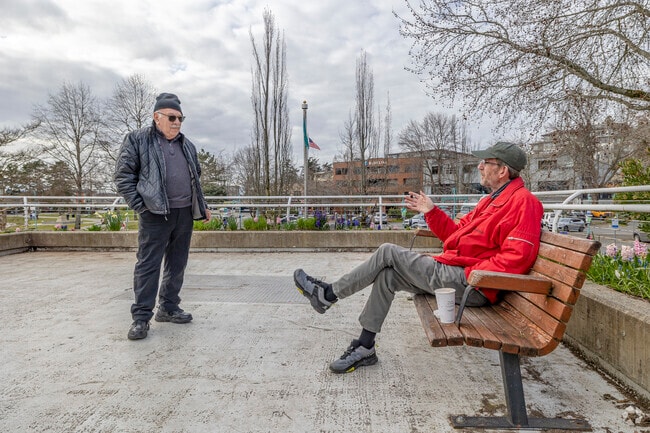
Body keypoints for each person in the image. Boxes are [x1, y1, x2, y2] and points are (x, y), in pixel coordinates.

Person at [294, 142, 543, 373]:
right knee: (388, 275)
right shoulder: (489, 202)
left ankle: (328, 295)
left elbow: (516, 259)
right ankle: (365, 347)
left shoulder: (524, 203)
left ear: (502, 171)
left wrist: (471, 272)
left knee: (387, 251)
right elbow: (454, 236)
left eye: (486, 162)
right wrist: (432, 212)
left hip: (474, 284)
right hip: (458, 273)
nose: (480, 166)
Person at [114, 92, 212, 341]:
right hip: (154, 213)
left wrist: (202, 204)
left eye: (180, 117)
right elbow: (124, 176)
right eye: (171, 117)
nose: (177, 122)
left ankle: (168, 308)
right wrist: (141, 206)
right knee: (148, 265)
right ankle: (141, 318)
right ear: (157, 117)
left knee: (177, 264)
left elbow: (195, 179)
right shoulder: (137, 140)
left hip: (184, 213)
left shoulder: (187, 145)